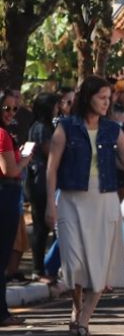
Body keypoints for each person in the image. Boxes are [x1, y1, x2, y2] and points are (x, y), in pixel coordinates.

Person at [45, 76, 124, 336]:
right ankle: (77, 307)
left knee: (101, 263)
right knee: (73, 263)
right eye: (102, 98)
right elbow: (51, 169)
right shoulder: (65, 127)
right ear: (88, 97)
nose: (107, 103)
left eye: (109, 98)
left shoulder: (112, 130)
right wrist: (51, 204)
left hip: (105, 198)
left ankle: (83, 320)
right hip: (72, 199)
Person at [1, 91, 33, 326]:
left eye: (15, 109)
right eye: (6, 108)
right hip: (6, 194)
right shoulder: (2, 135)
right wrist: (25, 158)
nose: (11, 113)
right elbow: (10, 170)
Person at [25, 92, 59, 280]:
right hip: (39, 180)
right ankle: (38, 269)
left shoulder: (48, 126)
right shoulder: (40, 128)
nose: (58, 108)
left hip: (45, 179)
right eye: (55, 105)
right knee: (40, 225)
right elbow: (50, 151)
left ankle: (47, 267)